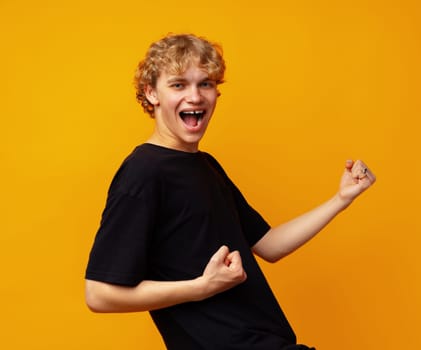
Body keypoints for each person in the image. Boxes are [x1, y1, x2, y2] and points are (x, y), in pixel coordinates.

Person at [85, 33, 376, 350]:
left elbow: (269, 245)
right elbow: (99, 294)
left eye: (205, 84)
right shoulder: (143, 171)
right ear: (151, 93)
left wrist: (341, 200)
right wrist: (201, 287)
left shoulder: (205, 166)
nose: (195, 96)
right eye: (179, 84)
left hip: (267, 340)